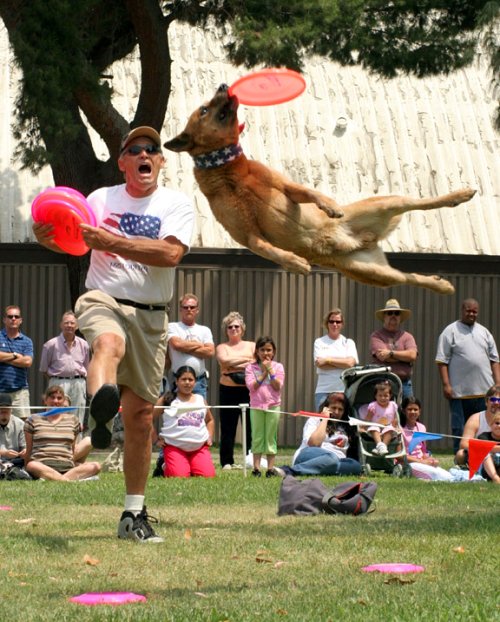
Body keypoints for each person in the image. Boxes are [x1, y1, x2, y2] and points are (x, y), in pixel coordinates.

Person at [33, 126, 194, 542]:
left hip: (153, 318)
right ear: (122, 161)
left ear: (160, 161)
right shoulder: (100, 199)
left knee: (141, 418)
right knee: (107, 342)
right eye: (135, 149)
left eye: (152, 150)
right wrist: (46, 237)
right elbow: (73, 240)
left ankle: (132, 516)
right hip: (104, 297)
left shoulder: (176, 204)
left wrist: (112, 240)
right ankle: (100, 405)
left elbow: (171, 253)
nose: (145, 154)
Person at [436, 298, 500, 452]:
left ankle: (485, 456)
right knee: (460, 428)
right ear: (462, 310)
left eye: (474, 311)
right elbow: (442, 360)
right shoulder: (450, 331)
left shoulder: (484, 332)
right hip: (459, 393)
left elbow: (494, 360)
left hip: (484, 393)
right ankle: (461, 457)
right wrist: (446, 384)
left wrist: (498, 384)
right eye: (468, 310)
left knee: (486, 427)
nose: (471, 314)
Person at [24, 385, 101, 481]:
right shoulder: (33, 419)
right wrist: (26, 468)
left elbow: (72, 450)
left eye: (59, 398)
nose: (55, 401)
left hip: (66, 466)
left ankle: (56, 479)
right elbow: (29, 450)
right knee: (32, 465)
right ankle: (69, 480)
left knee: (96, 466)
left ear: (63, 401)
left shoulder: (73, 420)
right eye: (52, 397)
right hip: (41, 465)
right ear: (45, 400)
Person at [155, 366, 215, 478]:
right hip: (174, 448)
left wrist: (210, 436)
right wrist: (155, 439)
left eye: (190, 380)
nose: (187, 383)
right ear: (177, 381)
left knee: (208, 476)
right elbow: (147, 417)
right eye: (183, 379)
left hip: (199, 448)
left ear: (195, 382)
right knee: (179, 476)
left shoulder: (201, 399)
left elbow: (210, 420)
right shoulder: (167, 399)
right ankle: (163, 464)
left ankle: (190, 465)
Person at [215, 311, 255, 469]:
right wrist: (245, 361)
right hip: (227, 390)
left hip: (249, 390)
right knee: (227, 427)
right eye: (230, 327)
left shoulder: (252, 345)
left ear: (242, 328)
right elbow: (224, 361)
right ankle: (226, 461)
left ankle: (250, 458)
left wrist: (232, 366)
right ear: (226, 330)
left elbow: (254, 363)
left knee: (251, 426)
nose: (233, 329)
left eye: (236, 326)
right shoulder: (222, 347)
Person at [39, 311, 90, 433]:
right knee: (56, 415)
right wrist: (57, 380)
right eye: (66, 322)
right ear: (61, 325)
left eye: (72, 323)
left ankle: (76, 448)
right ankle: (54, 442)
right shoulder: (50, 345)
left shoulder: (84, 345)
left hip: (79, 383)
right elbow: (44, 369)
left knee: (77, 416)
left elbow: (87, 367)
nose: (69, 325)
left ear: (77, 326)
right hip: (58, 383)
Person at [290, 392, 361, 476]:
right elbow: (314, 443)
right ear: (326, 408)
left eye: (340, 409)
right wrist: (324, 419)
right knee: (332, 458)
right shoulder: (315, 420)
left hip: (336, 461)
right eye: (333, 408)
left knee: (356, 466)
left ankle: (324, 470)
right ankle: (291, 470)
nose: (337, 412)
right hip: (309, 455)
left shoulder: (346, 427)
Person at [245, 336, 285, 477]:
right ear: (257, 351)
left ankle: (270, 469)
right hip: (256, 406)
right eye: (262, 350)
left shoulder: (278, 367)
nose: (266, 353)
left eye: (269, 350)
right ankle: (256, 469)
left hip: (273, 406)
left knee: (270, 437)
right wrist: (264, 373)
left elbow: (277, 386)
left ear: (273, 351)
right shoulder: (250, 367)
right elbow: (252, 387)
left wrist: (271, 371)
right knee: (257, 436)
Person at [167, 293, 214, 399]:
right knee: (178, 414)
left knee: (198, 413)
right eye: (185, 307)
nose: (189, 309)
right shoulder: (172, 327)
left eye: (192, 307)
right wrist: (198, 345)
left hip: (199, 381)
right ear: (181, 309)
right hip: (178, 380)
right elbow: (176, 345)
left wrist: (184, 347)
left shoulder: (204, 330)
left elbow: (210, 352)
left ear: (197, 310)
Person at [370, 299, 417, 399]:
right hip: (383, 385)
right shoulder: (376, 336)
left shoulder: (408, 336)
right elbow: (383, 357)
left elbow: (412, 355)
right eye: (390, 313)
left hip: (405, 384)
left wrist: (390, 353)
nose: (393, 315)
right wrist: (404, 358)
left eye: (397, 313)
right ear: (384, 316)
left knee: (406, 413)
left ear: (400, 317)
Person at [313, 308, 358, 409]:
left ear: (342, 324)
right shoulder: (319, 342)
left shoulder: (348, 342)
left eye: (338, 321)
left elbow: (350, 364)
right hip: (323, 391)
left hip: (343, 391)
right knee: (322, 422)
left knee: (341, 423)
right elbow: (320, 364)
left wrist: (328, 360)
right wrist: (342, 364)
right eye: (331, 321)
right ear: (327, 323)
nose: (334, 324)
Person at [400, 396, 453, 481]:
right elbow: (400, 456)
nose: (413, 412)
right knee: (435, 474)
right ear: (403, 411)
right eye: (409, 409)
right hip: (408, 463)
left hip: (421, 462)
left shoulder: (422, 427)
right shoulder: (399, 429)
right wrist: (421, 462)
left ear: (420, 411)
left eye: (415, 409)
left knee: (447, 475)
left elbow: (423, 451)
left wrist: (430, 459)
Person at [0, 305, 34, 419]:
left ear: (20, 320)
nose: (13, 319)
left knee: (23, 425)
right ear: (4, 320)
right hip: (0, 390)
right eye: (10, 316)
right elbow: (23, 360)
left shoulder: (27, 341)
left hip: (20, 392)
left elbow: (28, 362)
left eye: (16, 316)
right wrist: (15, 355)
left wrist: (4, 359)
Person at [455, 385, 500, 466]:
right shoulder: (475, 419)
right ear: (486, 402)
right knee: (460, 454)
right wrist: (495, 449)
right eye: (493, 399)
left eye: (499, 400)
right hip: (480, 456)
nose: (496, 403)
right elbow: (464, 444)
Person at [358, 380, 400, 456]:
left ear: (390, 396)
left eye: (385, 396)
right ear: (375, 396)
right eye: (380, 395)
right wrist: (363, 427)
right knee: (374, 428)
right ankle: (380, 446)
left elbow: (395, 418)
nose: (383, 398)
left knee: (390, 429)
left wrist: (396, 426)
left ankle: (381, 447)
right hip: (375, 427)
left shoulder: (393, 405)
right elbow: (368, 419)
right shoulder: (373, 406)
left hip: (387, 427)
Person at [0, 392, 26, 467]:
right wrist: (3, 453)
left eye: (7, 409)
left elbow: (25, 448)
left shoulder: (20, 424)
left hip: (16, 462)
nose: (4, 412)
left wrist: (24, 452)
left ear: (11, 409)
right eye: (1, 408)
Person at [477, 411, 500, 484]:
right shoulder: (483, 436)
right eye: (497, 423)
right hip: (485, 469)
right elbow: (484, 447)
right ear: (491, 425)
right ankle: (495, 479)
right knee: (485, 453)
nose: (499, 426)